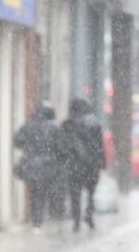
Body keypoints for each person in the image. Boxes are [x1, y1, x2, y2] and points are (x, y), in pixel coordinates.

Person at [13, 102, 61, 230]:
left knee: (34, 191)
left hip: (30, 164)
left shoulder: (28, 126)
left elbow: (18, 142)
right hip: (47, 165)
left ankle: (36, 218)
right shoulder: (54, 128)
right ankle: (38, 219)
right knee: (42, 192)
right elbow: (60, 147)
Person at [61, 99, 105, 232]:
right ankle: (89, 214)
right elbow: (100, 145)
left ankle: (76, 221)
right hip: (92, 164)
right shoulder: (94, 123)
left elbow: (62, 145)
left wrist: (63, 160)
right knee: (91, 192)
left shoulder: (68, 124)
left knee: (75, 194)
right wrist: (102, 162)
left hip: (74, 164)